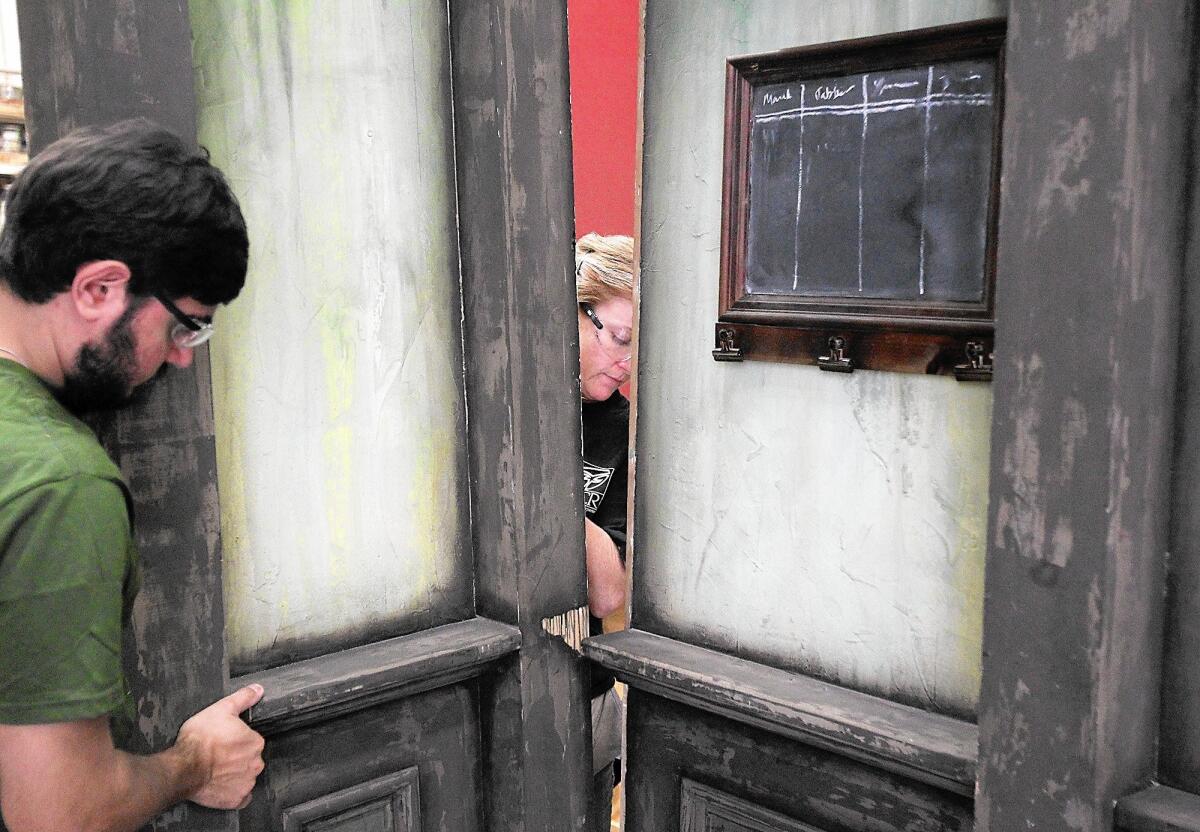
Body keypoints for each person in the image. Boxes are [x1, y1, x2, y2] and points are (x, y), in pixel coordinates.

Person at [0, 119, 265, 832]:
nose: (183, 357)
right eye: (183, 326)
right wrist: (195, 764)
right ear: (98, 289)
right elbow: (58, 814)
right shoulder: (60, 484)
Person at [575, 232, 635, 831]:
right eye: (618, 338)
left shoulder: (614, 420)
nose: (626, 362)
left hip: (583, 676)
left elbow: (609, 592)